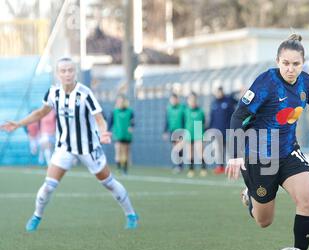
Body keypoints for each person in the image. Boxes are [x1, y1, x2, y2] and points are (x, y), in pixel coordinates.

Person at [225, 34, 309, 250]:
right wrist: (236, 154)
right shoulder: (265, 83)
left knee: (307, 200)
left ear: (303, 63)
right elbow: (238, 116)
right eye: (286, 63)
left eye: (296, 64)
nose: (291, 69)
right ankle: (251, 197)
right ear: (278, 61)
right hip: (259, 157)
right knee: (264, 221)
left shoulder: (306, 83)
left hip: (289, 151)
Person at [0, 57, 139, 231]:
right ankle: (36, 216)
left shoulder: (85, 93)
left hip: (88, 147)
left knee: (108, 183)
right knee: (47, 187)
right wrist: (19, 123)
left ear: (75, 72)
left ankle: (131, 215)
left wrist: (103, 132)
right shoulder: (53, 93)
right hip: (64, 147)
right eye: (63, 71)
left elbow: (99, 118)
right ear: (58, 74)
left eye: (70, 70)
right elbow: (41, 112)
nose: (67, 74)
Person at [209, 86, 237, 174]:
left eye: (220, 92)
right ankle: (220, 167)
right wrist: (210, 128)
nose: (218, 94)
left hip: (228, 130)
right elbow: (212, 117)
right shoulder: (214, 104)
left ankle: (230, 167)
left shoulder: (228, 100)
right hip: (217, 131)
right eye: (217, 92)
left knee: (229, 150)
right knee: (218, 150)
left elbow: (237, 101)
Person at [109, 94, 134, 175]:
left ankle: (125, 169)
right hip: (118, 134)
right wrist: (108, 131)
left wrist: (131, 127)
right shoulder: (114, 111)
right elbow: (110, 123)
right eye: (118, 101)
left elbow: (132, 122)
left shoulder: (130, 111)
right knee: (118, 150)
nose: (120, 102)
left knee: (126, 152)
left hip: (126, 135)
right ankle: (118, 168)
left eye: (122, 101)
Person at [184, 91, 207, 178]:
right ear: (188, 100)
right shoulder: (185, 111)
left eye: (194, 100)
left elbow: (204, 122)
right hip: (189, 133)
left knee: (200, 151)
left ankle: (203, 169)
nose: (192, 101)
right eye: (190, 100)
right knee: (190, 153)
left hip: (198, 132)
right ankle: (191, 170)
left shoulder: (200, 111)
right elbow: (183, 122)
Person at [163, 93, 186, 174]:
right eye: (171, 99)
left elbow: (185, 119)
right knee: (174, 149)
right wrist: (165, 131)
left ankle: (180, 166)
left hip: (180, 131)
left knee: (179, 148)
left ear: (177, 99)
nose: (173, 101)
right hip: (172, 131)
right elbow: (167, 120)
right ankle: (176, 164)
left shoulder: (182, 108)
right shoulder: (168, 108)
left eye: (174, 99)